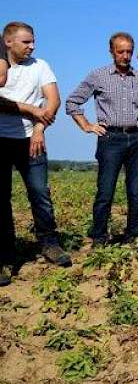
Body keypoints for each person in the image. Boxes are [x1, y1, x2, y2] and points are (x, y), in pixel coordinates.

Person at [65, 32, 138, 245]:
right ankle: (99, 236)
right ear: (111, 52)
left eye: (129, 52)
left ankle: (133, 236)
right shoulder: (98, 76)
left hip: (137, 139)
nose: (125, 56)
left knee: (136, 192)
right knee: (105, 191)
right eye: (121, 51)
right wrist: (87, 125)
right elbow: (72, 103)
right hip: (110, 139)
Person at [0, 21, 71, 286]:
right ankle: (5, 255)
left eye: (33, 41)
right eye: (26, 42)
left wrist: (40, 129)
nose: (32, 46)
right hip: (1, 139)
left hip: (32, 140)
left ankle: (50, 244)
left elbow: (53, 100)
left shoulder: (40, 65)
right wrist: (30, 109)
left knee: (40, 193)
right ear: (8, 42)